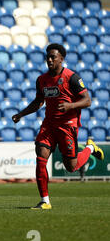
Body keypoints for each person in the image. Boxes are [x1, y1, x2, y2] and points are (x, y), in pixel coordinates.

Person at [12, 43, 104, 210]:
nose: (49, 60)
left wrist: (70, 106)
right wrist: (21, 114)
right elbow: (38, 102)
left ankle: (90, 148)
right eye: (47, 57)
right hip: (48, 126)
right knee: (41, 156)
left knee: (71, 167)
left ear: (61, 58)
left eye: (53, 57)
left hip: (67, 126)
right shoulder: (42, 80)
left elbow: (87, 100)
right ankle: (45, 201)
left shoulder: (72, 78)